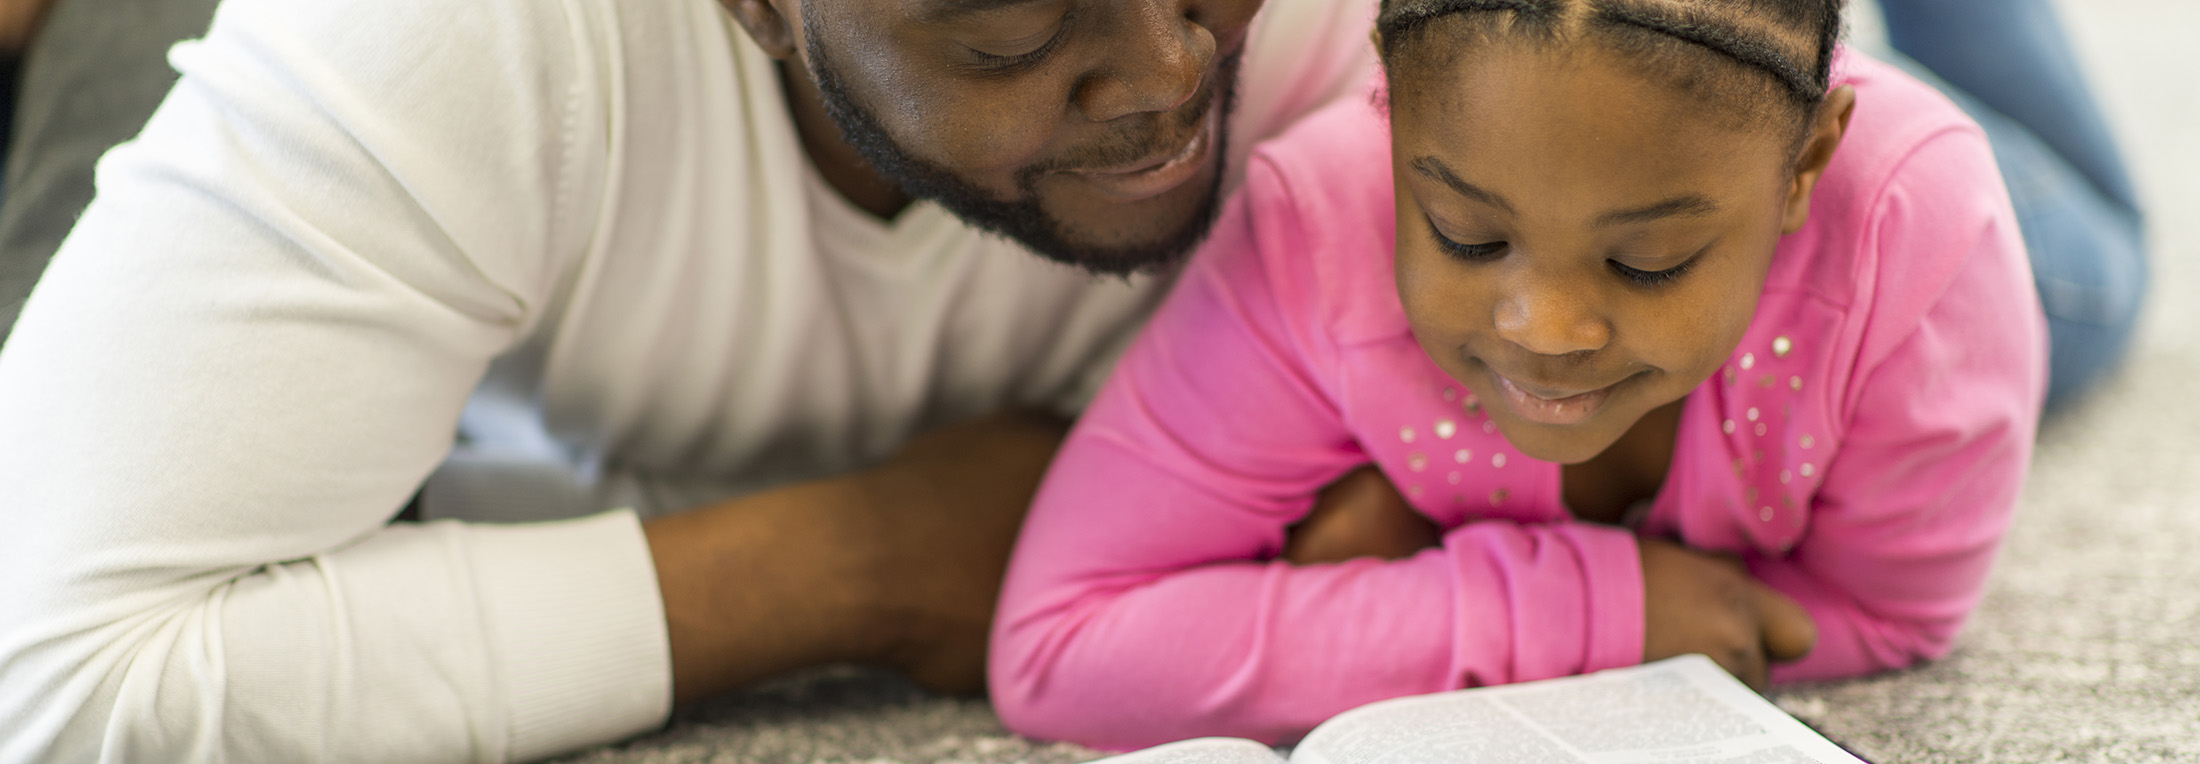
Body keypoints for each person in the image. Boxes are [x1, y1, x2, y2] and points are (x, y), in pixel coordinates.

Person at [0, 0, 1385, 760]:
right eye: (1008, 30)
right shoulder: (443, 36)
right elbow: (49, 678)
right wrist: (867, 564)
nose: (1172, 67)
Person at [989, 0, 2047, 750]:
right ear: (1389, 109)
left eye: (1648, 260)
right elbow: (1058, 646)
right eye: (1464, 234)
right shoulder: (1315, 223)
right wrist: (1587, 607)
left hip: (2021, 270)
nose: (1544, 330)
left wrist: (1392, 564)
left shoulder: (1918, 245)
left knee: (2106, 258)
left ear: (1803, 169)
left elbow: (1894, 613)